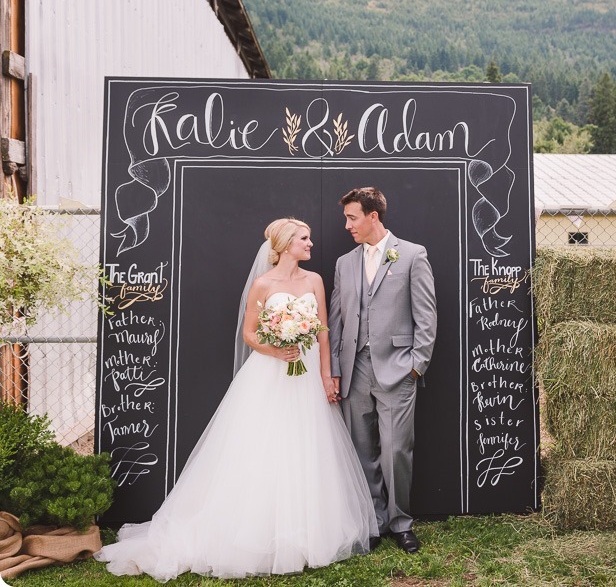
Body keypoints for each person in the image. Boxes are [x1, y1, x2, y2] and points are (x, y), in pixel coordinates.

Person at [95, 219, 377, 581]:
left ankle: (306, 533)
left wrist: (326, 377)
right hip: (271, 373)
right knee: (263, 448)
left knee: (305, 447)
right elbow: (249, 333)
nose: (311, 244)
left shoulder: (314, 281)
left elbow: (323, 333)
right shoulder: (263, 284)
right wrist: (276, 350)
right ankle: (258, 535)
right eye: (304, 239)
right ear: (287, 244)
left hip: (306, 375)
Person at [329, 188, 437, 554]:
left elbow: (426, 315)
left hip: (398, 369)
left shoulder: (411, 254)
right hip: (354, 368)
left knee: (396, 451)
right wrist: (334, 369)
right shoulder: (345, 263)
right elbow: (336, 320)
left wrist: (417, 366)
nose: (347, 226)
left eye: (352, 218)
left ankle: (401, 523)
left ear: (374, 216)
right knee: (361, 449)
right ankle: (373, 522)